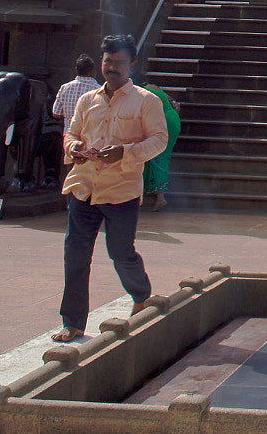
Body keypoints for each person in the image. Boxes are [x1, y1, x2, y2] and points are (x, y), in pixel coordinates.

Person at [54, 34, 168, 343]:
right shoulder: (86, 99)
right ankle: (73, 322)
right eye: (107, 61)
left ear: (132, 64)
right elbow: (71, 134)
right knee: (75, 255)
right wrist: (75, 147)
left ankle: (141, 293)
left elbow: (159, 139)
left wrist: (125, 153)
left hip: (122, 190)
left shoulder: (146, 100)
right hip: (83, 187)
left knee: (120, 253)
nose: (112, 67)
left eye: (118, 62)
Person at [140, 82, 181, 212]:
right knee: (160, 158)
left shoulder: (141, 92)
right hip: (171, 120)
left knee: (157, 158)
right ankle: (158, 197)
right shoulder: (154, 90)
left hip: (165, 122)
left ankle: (160, 198)